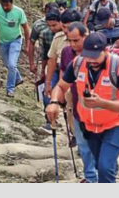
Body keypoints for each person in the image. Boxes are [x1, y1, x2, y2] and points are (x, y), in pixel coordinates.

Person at [46, 32, 119, 183]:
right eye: (88, 55)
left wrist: (102, 103)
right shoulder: (78, 64)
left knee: (105, 169)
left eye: (95, 56)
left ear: (105, 51)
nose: (91, 60)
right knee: (100, 165)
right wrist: (53, 102)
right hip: (89, 126)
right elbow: (60, 86)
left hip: (114, 125)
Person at [59, 22, 98, 183]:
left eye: (76, 40)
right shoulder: (67, 52)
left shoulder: (98, 53)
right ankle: (90, 177)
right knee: (82, 143)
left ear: (85, 36)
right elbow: (63, 73)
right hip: (77, 103)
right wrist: (59, 94)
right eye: (70, 41)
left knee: (98, 144)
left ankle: (104, 171)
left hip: (99, 108)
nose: (73, 44)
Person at [45, 9, 81, 140]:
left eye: (69, 27)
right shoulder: (59, 39)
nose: (66, 30)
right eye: (64, 26)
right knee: (70, 111)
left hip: (84, 85)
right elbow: (53, 61)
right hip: (67, 83)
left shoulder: (89, 40)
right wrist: (49, 83)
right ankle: (75, 135)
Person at [27, 2, 58, 80]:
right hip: (43, 59)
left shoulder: (62, 24)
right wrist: (31, 63)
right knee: (41, 83)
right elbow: (31, 43)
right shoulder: (38, 25)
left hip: (58, 60)